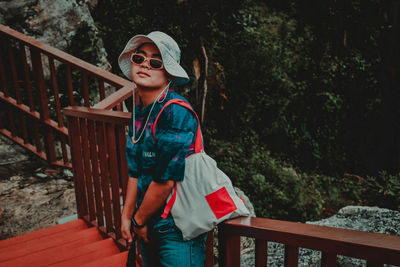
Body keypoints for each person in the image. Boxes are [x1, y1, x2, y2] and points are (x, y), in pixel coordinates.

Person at [119, 31, 207, 266]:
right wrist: (127, 216)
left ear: (168, 74)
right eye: (139, 58)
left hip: (177, 226)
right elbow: (134, 170)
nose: (145, 65)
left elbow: (166, 180)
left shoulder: (175, 113)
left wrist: (137, 220)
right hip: (147, 219)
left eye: (155, 62)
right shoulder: (139, 112)